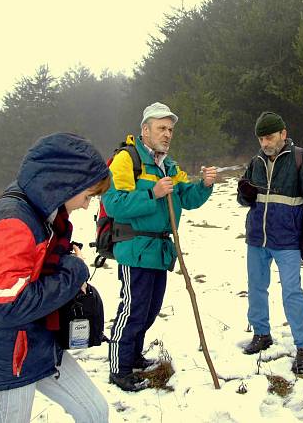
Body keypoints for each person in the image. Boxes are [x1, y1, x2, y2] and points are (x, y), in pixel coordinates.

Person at [0, 133, 110, 423]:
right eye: (88, 194)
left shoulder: (41, 210)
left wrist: (67, 258)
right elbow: (7, 308)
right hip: (9, 359)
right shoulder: (12, 223)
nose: (85, 205)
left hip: (40, 343)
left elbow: (36, 260)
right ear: (65, 182)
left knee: (94, 412)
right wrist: (75, 271)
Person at [104, 102, 217, 391]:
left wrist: (203, 185)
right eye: (161, 128)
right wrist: (152, 193)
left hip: (159, 251)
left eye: (170, 129)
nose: (167, 134)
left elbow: (187, 198)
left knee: (150, 309)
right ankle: (119, 368)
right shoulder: (127, 160)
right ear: (145, 130)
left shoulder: (170, 164)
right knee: (133, 309)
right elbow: (113, 203)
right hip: (134, 247)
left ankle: (133, 355)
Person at [237, 111, 303, 374]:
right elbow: (244, 199)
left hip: (287, 240)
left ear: (283, 134)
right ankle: (261, 333)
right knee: (256, 287)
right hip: (257, 238)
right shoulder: (255, 162)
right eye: (261, 138)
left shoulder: (301, 160)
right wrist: (244, 194)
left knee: (292, 292)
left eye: (269, 137)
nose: (265, 143)